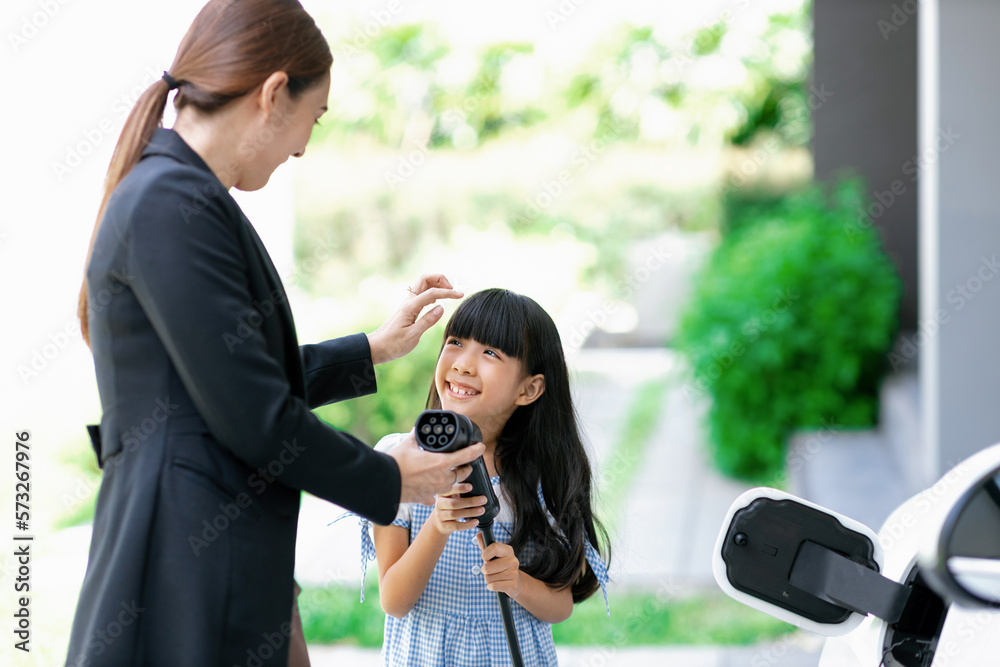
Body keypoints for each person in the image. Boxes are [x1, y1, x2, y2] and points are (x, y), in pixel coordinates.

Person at [67, 1, 485, 665]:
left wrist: (372, 349)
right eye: (312, 117)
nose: (304, 145)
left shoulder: (183, 197)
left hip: (210, 560)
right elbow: (253, 415)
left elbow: (226, 379)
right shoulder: (171, 203)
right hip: (181, 571)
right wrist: (392, 478)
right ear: (271, 95)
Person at [356, 288, 612, 666]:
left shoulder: (542, 476)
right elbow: (394, 601)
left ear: (529, 389)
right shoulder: (401, 461)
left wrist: (518, 582)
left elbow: (560, 606)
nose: (463, 363)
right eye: (456, 342)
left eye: (491, 352)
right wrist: (438, 527)